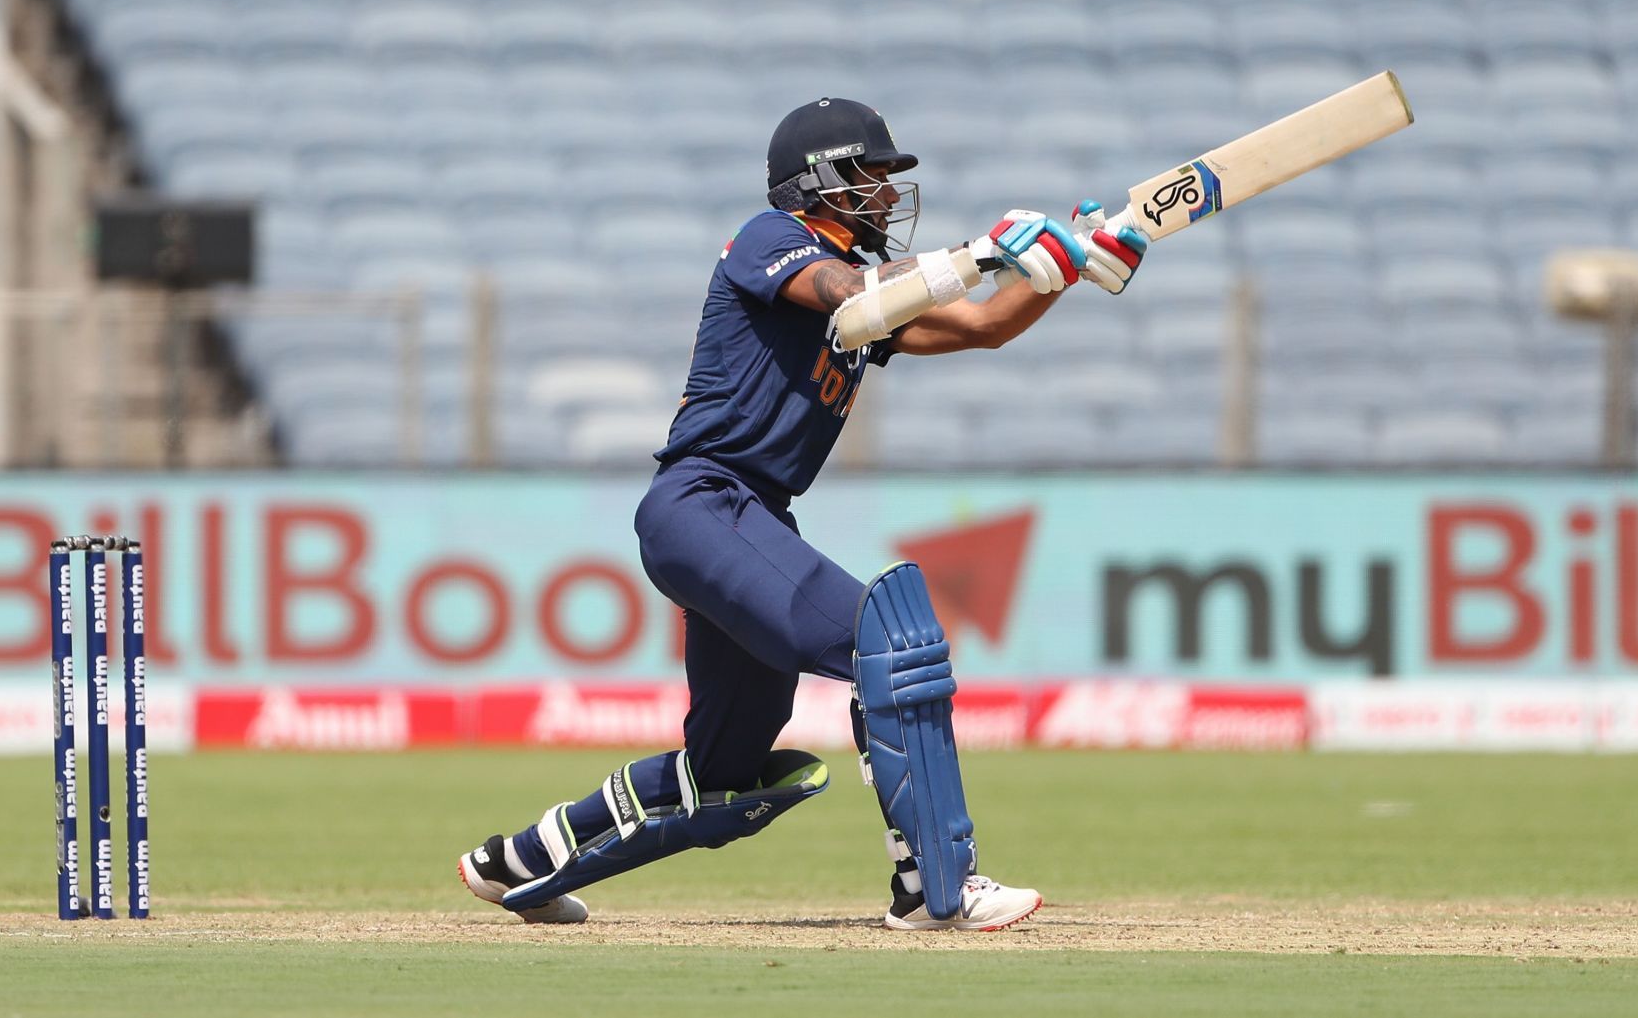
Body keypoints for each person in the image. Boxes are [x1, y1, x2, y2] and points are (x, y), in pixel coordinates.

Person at [459, 97, 1149, 930]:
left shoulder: (868, 294)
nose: (889, 195)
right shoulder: (770, 240)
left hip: (747, 517)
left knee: (727, 769)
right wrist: (979, 252)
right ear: (817, 182)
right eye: (872, 176)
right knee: (890, 640)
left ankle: (521, 859)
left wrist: (1070, 266)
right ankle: (935, 886)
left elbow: (981, 326)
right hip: (703, 501)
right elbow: (851, 295)